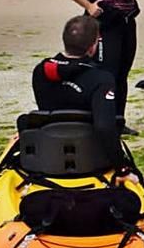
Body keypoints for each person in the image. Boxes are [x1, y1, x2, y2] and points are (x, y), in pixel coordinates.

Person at [58, 0, 140, 134]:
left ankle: (118, 119)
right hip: (105, 26)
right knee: (106, 73)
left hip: (126, 23)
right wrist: (87, 5)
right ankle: (101, 119)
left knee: (122, 73)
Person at [31, 16, 129, 172]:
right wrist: (122, 168)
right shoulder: (102, 79)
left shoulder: (41, 70)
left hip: (49, 152)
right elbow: (104, 127)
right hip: (91, 156)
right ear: (92, 47)